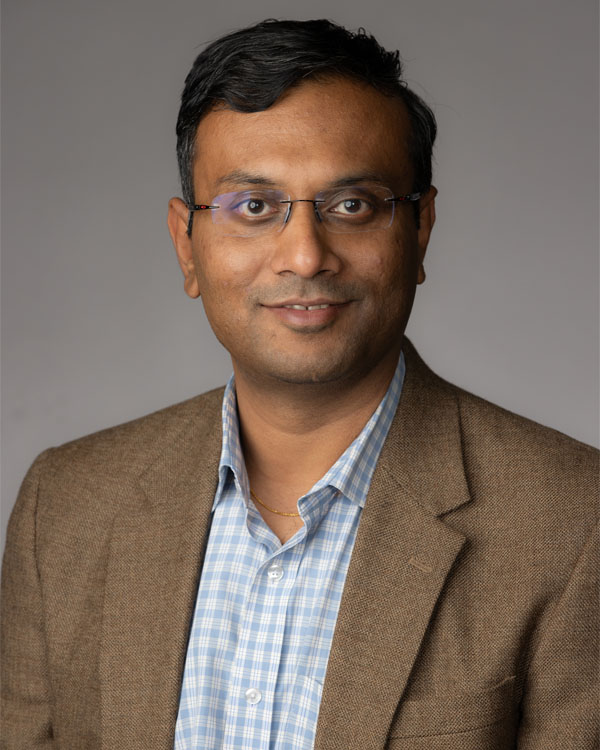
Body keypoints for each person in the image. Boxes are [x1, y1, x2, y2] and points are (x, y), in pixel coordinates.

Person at [1, 18, 597, 750]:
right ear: (186, 245)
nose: (306, 256)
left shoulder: (573, 522)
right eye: (254, 207)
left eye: (352, 206)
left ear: (420, 231)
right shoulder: (65, 506)